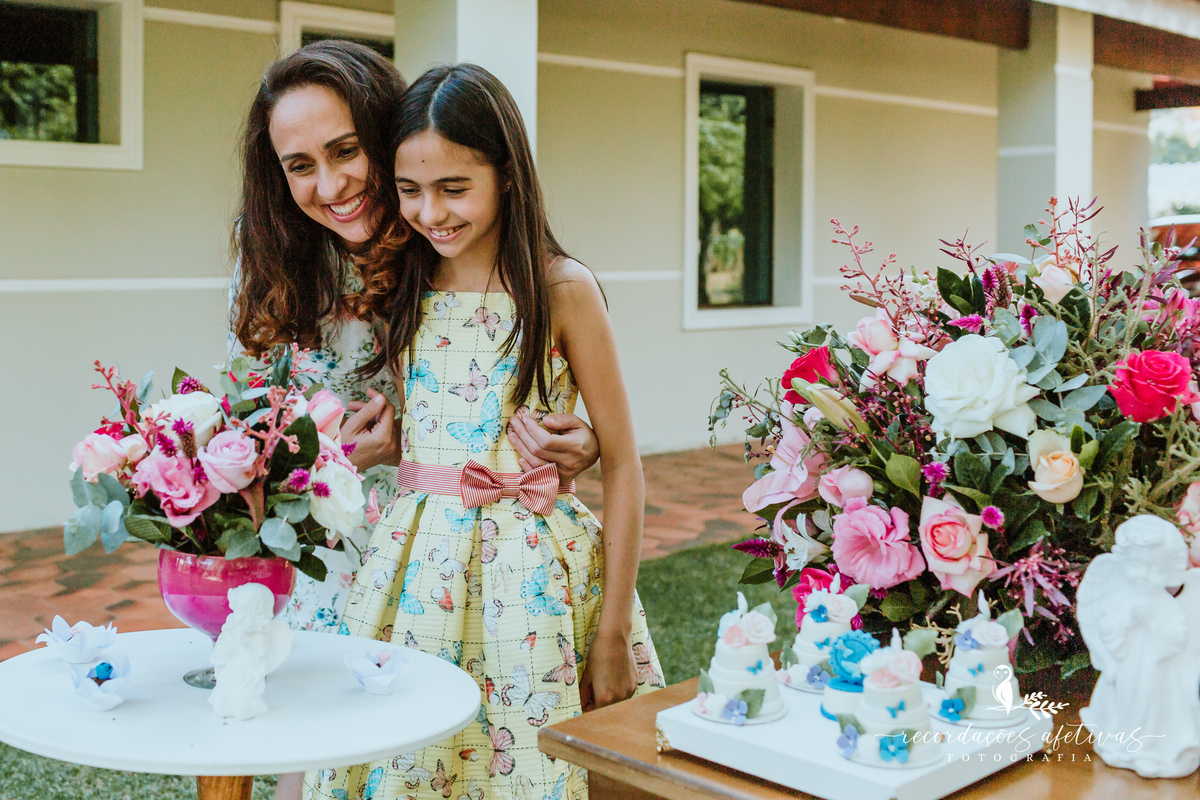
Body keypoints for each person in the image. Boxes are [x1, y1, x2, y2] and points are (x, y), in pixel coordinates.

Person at [228, 43, 602, 800]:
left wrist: (580, 437)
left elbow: (522, 369)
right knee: (330, 765)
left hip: (462, 548)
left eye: (345, 151)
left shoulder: (438, 241)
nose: (330, 185)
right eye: (300, 165)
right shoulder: (276, 263)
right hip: (333, 553)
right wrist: (328, 461)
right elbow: (247, 441)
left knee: (462, 754)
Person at [304, 64, 664, 800]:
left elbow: (623, 464)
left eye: (454, 189)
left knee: (539, 765)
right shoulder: (400, 284)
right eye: (409, 191)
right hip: (416, 574)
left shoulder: (561, 288)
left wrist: (611, 634)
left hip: (536, 583)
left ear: (507, 173)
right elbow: (433, 425)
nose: (431, 212)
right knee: (420, 763)